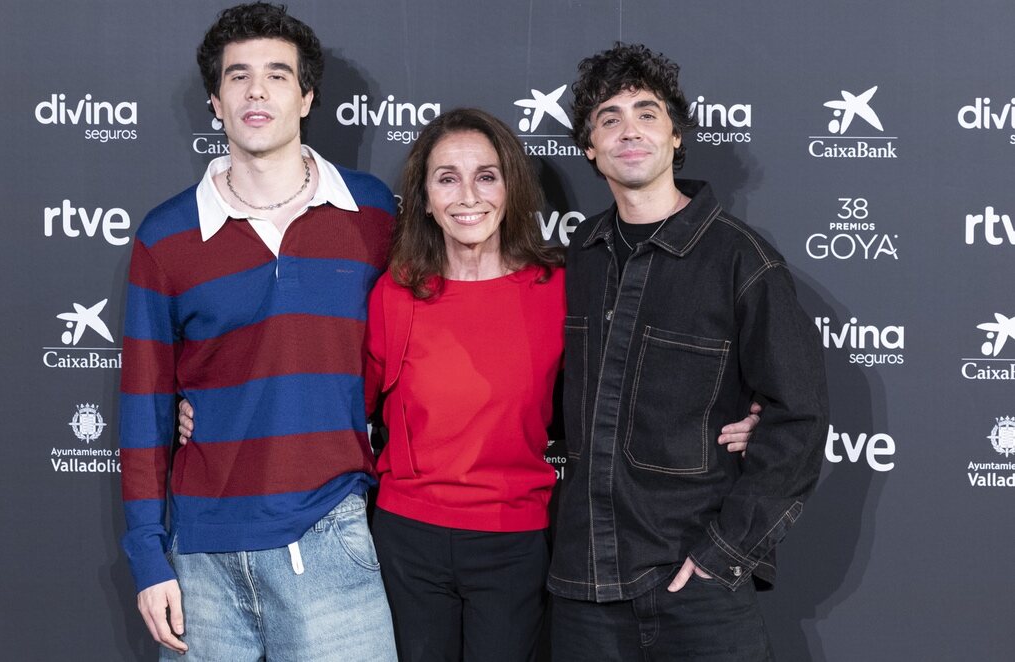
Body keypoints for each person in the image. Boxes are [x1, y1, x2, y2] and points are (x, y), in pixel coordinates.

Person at [178, 107, 760, 661]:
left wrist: (740, 408)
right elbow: (333, 398)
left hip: (515, 539)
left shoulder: (558, 287)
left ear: (510, 190)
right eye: (447, 179)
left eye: (486, 177)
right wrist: (215, 409)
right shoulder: (396, 292)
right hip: (409, 538)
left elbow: (625, 376)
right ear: (425, 200)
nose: (468, 196)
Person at [118, 3, 396, 659]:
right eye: (238, 76)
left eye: (276, 75)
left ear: (305, 96)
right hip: (201, 555)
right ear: (215, 101)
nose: (256, 91)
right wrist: (148, 555)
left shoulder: (373, 215)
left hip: (331, 534)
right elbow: (142, 407)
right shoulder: (166, 236)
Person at [547, 43, 830, 661]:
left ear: (675, 137)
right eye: (609, 118)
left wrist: (725, 553)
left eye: (647, 114)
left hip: (695, 590)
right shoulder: (577, 262)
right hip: (582, 591)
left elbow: (799, 415)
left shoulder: (740, 261)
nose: (629, 131)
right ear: (590, 148)